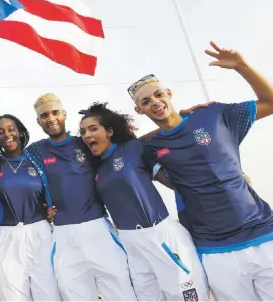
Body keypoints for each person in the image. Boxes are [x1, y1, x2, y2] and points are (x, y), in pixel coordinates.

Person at [130, 41, 273, 300]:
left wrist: (242, 66)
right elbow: (127, 148)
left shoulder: (214, 115)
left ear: (169, 93)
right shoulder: (149, 147)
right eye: (146, 101)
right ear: (138, 110)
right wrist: (172, 124)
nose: (155, 102)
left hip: (263, 237)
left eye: (159, 95)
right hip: (213, 250)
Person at [79, 102, 210, 300]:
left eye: (93, 129)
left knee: (187, 296)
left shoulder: (134, 149)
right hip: (130, 243)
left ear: (110, 131)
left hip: (161, 235)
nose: (87, 135)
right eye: (83, 131)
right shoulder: (95, 167)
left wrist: (176, 119)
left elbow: (174, 182)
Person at [26, 93, 137, 301]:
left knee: (120, 290)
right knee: (74, 294)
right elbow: (18, 177)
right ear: (38, 121)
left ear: (64, 113)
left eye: (55, 112)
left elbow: (125, 146)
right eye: (44, 115)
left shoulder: (85, 142)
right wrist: (41, 208)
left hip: (97, 228)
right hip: (63, 234)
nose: (51, 119)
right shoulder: (35, 151)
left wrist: (181, 120)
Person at [0, 114, 61, 301]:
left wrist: (52, 209)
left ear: (20, 132)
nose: (7, 134)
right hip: (7, 235)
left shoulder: (36, 159)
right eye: (0, 132)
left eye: (11, 129)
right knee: (11, 295)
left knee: (48, 294)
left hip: (40, 233)